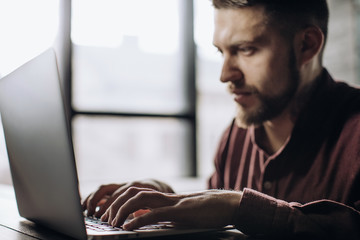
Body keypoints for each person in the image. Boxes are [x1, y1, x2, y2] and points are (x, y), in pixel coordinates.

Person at [82, 0, 360, 238]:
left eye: (246, 49)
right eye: (221, 51)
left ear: (306, 45)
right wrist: (162, 198)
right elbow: (217, 212)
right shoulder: (235, 137)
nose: (225, 75)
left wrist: (240, 208)